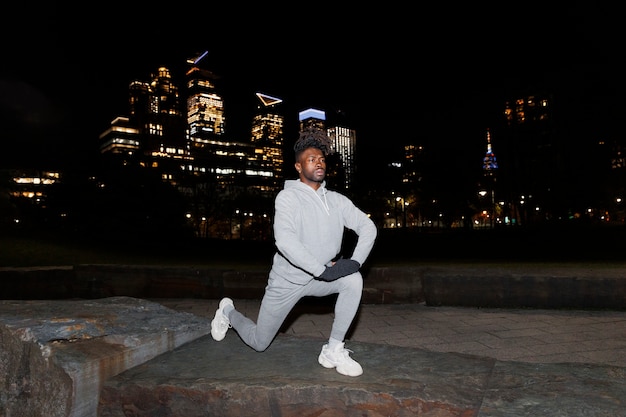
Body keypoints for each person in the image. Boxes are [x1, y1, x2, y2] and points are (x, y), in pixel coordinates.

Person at [210, 127, 377, 377]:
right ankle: (227, 312)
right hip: (287, 282)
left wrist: (354, 263)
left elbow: (368, 227)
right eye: (311, 159)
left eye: (321, 159)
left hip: (320, 277)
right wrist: (322, 270)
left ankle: (333, 349)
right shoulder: (288, 198)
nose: (319, 163)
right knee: (259, 342)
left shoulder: (337, 201)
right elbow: (285, 241)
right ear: (298, 167)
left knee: (353, 280)